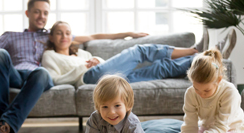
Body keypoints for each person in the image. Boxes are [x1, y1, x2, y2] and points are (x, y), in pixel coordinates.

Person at [0, 0, 147, 133]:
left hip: (39, 77)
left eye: (45, 12)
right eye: (37, 12)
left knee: (41, 73)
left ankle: (4, 126)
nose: (42, 16)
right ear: (28, 13)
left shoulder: (52, 35)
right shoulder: (10, 35)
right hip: (15, 74)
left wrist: (127, 33)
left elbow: (94, 36)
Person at [42, 21, 209, 88]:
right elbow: (53, 80)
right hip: (89, 78)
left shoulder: (82, 53)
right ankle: (194, 49)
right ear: (51, 36)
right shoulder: (50, 56)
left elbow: (104, 65)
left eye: (67, 33)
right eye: (59, 33)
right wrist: (82, 67)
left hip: (109, 79)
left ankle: (204, 58)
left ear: (72, 36)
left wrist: (97, 60)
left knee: (160, 68)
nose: (64, 37)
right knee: (138, 51)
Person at [161, 48, 244, 133]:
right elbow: (189, 126)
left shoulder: (229, 92)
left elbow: (221, 127)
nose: (201, 94)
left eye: (207, 91)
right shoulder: (190, 93)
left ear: (218, 80)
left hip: (231, 131)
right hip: (206, 129)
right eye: (196, 89)